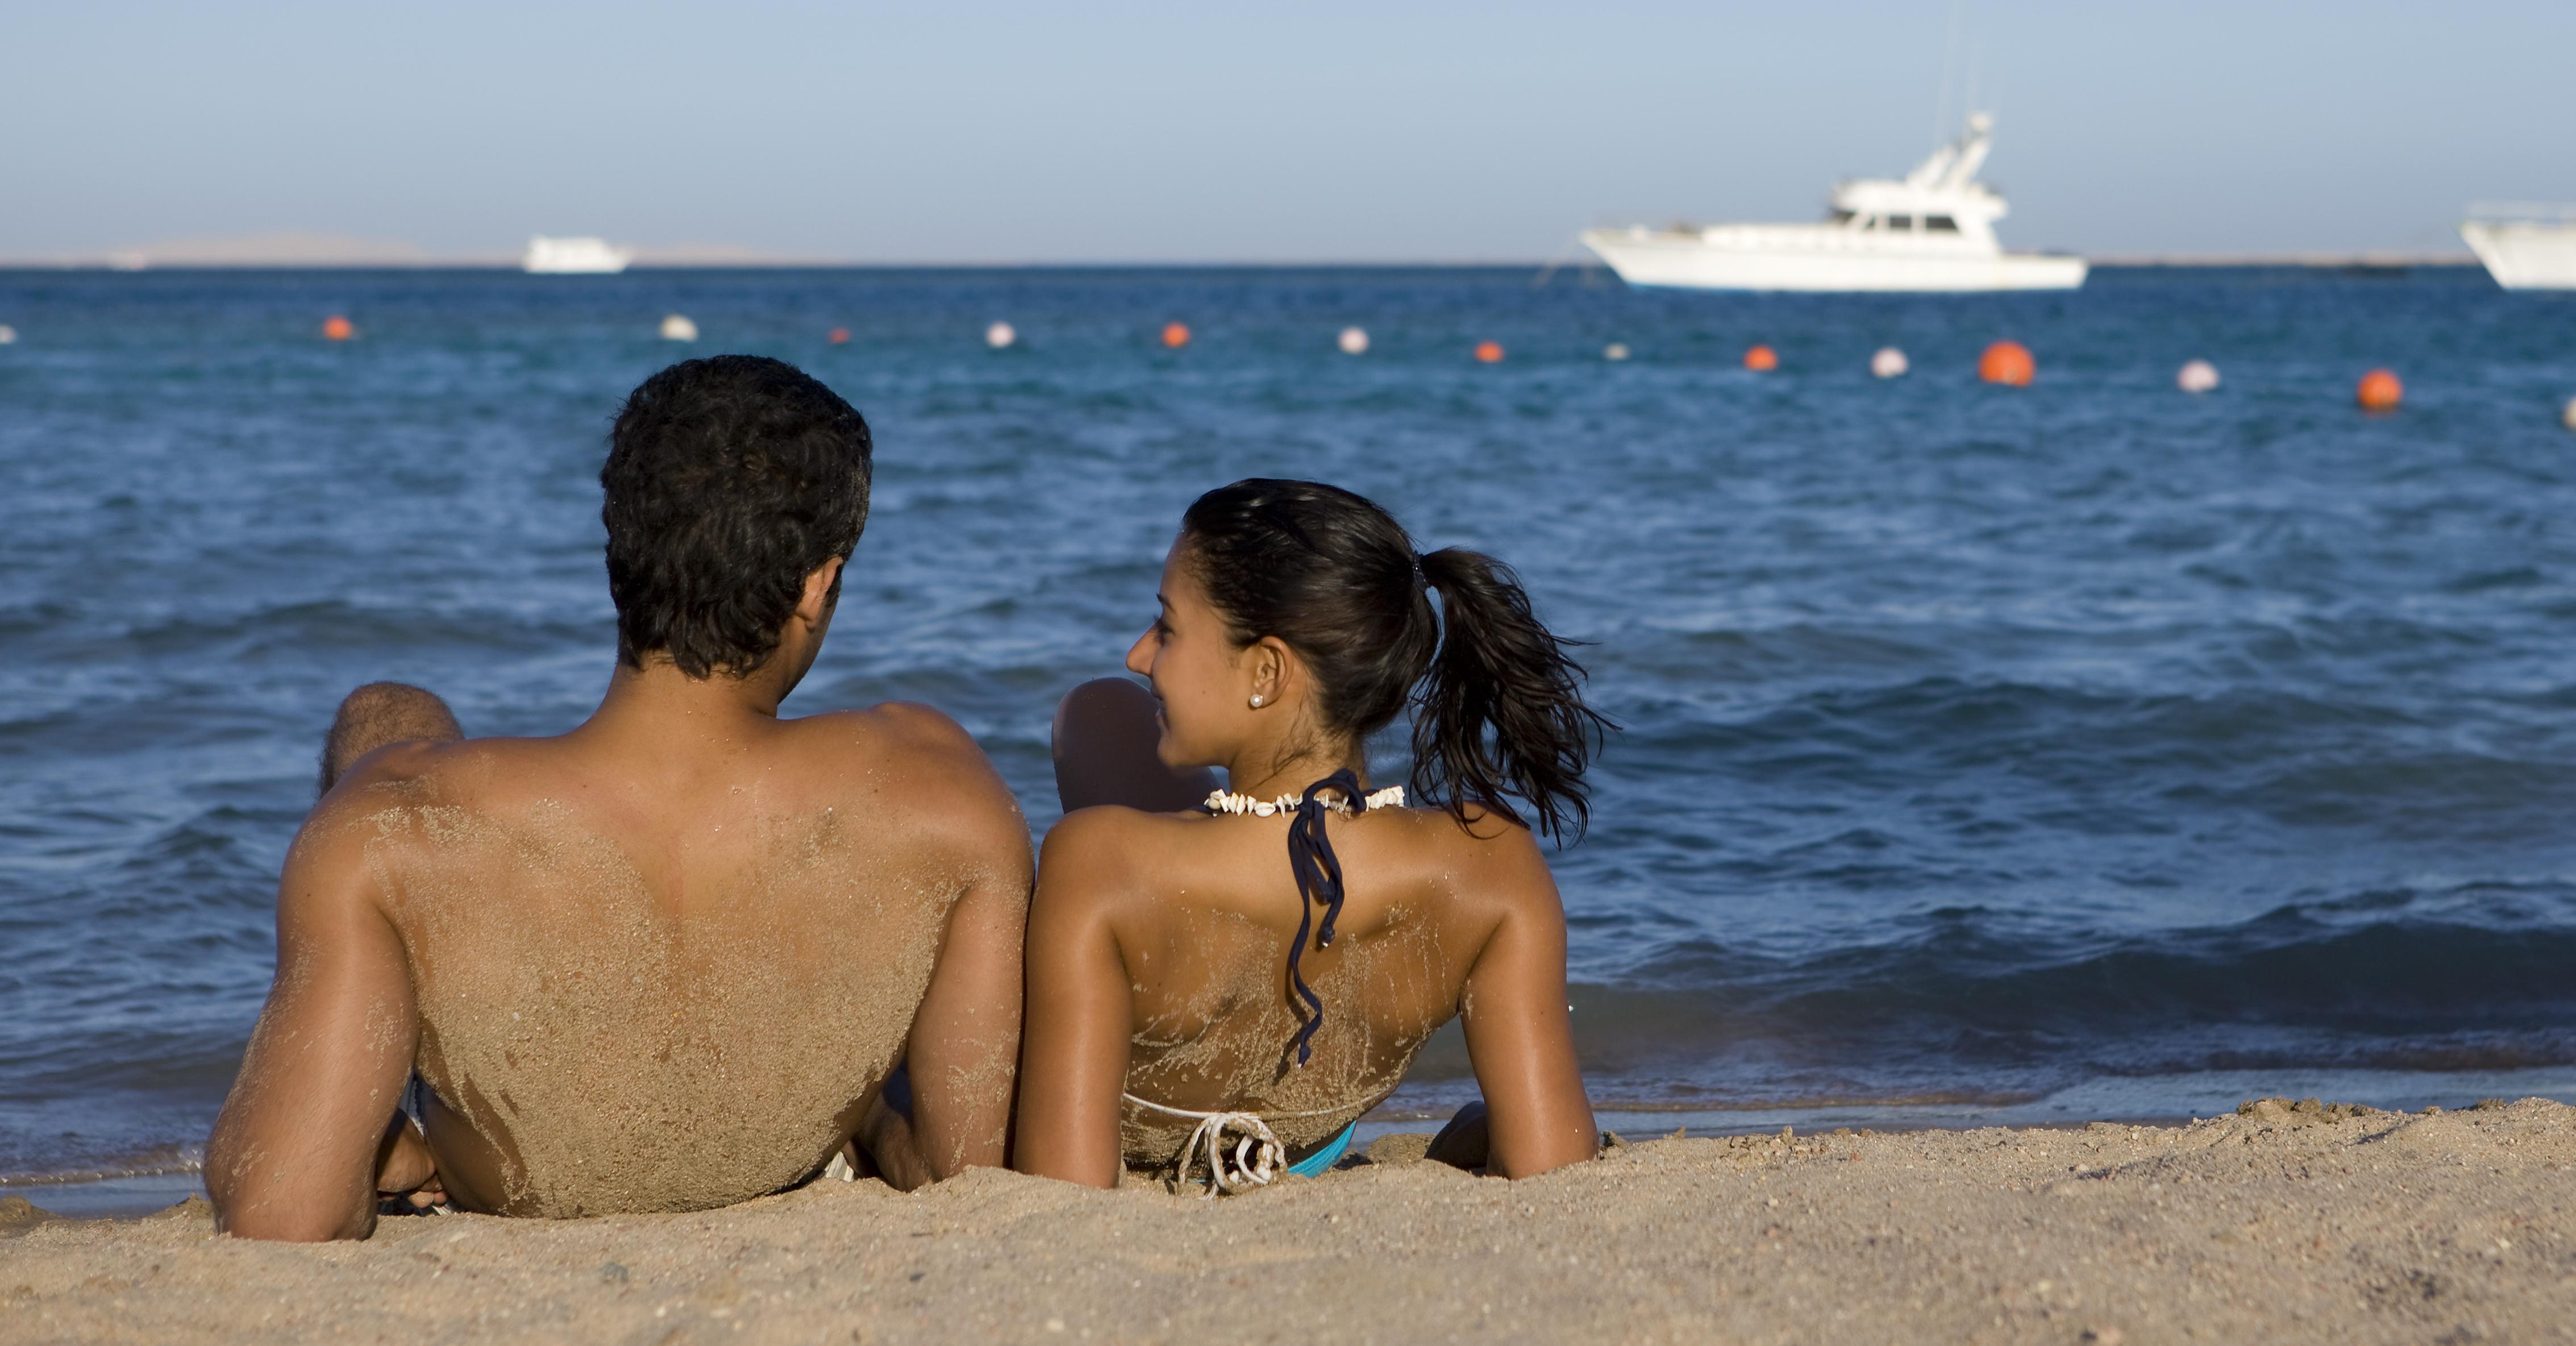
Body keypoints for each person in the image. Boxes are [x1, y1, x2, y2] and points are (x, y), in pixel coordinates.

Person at [206, 356, 1034, 1240]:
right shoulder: (947, 793)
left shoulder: (395, 825)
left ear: (622, 549)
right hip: (779, 1145)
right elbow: (966, 1176)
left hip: (507, 1173)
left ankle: (387, 1134)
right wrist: (863, 1107)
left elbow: (283, 1211)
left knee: (386, 715)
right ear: (815, 586)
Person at [1015, 478, 1608, 1192]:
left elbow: (1063, 1191)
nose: (1140, 654)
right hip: (1311, 1144)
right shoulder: (1489, 863)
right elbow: (1553, 1166)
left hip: (1148, 1119)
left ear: (1266, 671)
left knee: (1092, 718)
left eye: (1167, 627)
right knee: (1098, 712)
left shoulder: (1096, 861)